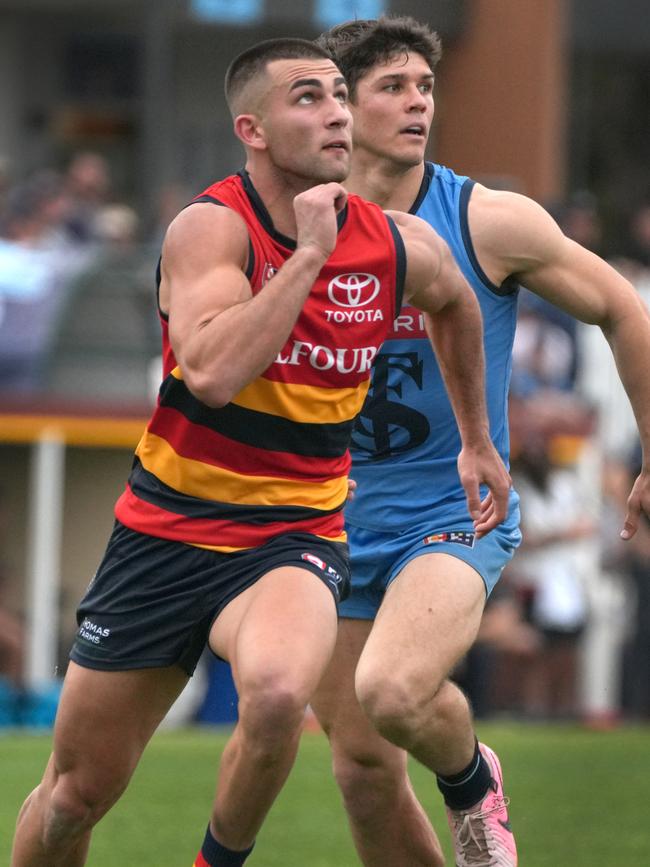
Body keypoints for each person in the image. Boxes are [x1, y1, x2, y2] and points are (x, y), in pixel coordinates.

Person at [10, 37, 511, 867]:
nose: (338, 114)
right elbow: (209, 370)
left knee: (279, 693)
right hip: (165, 533)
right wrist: (309, 255)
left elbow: (455, 303)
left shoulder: (393, 244)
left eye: (340, 97)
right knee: (73, 796)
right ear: (252, 128)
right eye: (308, 98)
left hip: (294, 533)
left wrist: (476, 439)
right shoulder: (210, 227)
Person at [312, 16, 650, 867]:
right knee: (361, 769)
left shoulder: (486, 219)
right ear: (342, 105)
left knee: (392, 690)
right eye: (394, 87)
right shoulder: (294, 221)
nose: (418, 102)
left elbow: (623, 307)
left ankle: (470, 775)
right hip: (325, 522)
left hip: (453, 512)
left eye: (426, 87)